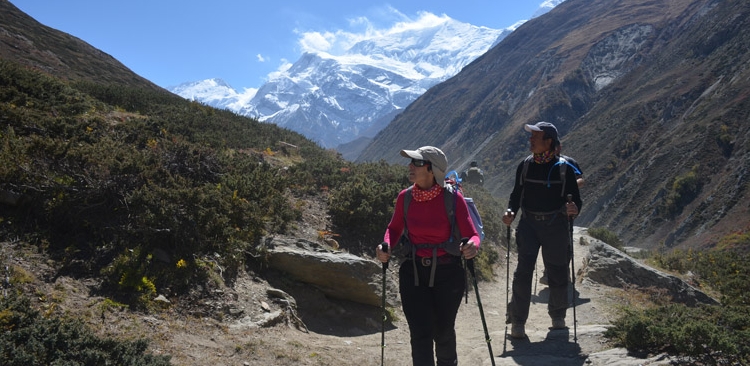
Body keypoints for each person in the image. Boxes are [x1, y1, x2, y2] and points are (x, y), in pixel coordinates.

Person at [376, 145, 481, 366]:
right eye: (411, 162)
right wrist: (386, 245)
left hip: (448, 274)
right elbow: (394, 229)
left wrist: (472, 245)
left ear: (432, 170)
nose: (410, 166)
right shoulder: (405, 197)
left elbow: (472, 233)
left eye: (417, 163)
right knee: (420, 333)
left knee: (443, 332)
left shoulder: (453, 199)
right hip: (413, 273)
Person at [501, 122, 582, 339]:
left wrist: (574, 209)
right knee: (522, 273)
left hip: (556, 225)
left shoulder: (565, 168)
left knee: (557, 271)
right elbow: (516, 195)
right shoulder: (525, 165)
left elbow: (576, 202)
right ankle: (518, 321)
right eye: (531, 136)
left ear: (548, 142)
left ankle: (558, 317)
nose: (530, 140)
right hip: (529, 225)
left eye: (535, 136)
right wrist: (510, 212)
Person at [539, 143, 584, 285]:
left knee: (566, 240)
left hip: (566, 208)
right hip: (548, 207)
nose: (554, 150)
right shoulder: (542, 162)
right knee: (547, 240)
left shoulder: (569, 162)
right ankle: (548, 272)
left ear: (560, 147)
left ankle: (564, 271)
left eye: (556, 147)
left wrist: (568, 185)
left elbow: (581, 179)